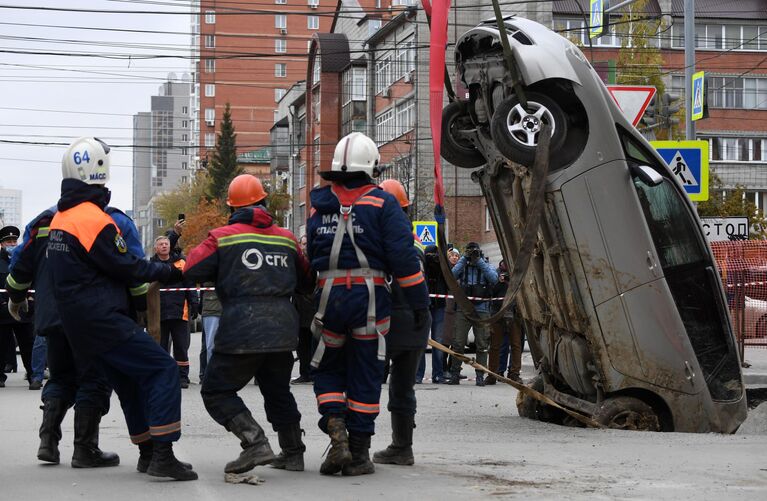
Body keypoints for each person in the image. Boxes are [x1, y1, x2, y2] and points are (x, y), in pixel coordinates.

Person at [35, 136, 197, 480]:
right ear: (99, 170)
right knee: (163, 369)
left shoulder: (61, 219)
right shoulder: (94, 220)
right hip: (102, 319)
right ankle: (164, 453)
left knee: (128, 382)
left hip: (78, 324)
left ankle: (147, 452)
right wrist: (173, 270)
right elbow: (132, 268)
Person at [307, 132, 429, 476]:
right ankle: (358, 453)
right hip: (369, 299)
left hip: (328, 298)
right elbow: (404, 261)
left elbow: (312, 254)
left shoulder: (320, 205)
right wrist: (419, 305)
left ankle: (335, 423)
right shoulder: (381, 203)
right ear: (372, 166)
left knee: (328, 366)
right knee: (366, 371)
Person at [185, 174, 313, 474]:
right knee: (278, 390)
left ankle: (254, 442)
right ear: (264, 201)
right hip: (282, 330)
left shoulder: (223, 236)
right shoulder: (286, 237)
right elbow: (308, 281)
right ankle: (293, 453)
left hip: (242, 328)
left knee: (215, 391)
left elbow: (191, 268)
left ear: (232, 207)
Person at [6, 204, 121, 468]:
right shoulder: (102, 219)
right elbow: (122, 266)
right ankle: (85, 449)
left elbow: (19, 268)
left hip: (52, 317)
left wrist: (16, 298)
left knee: (60, 377)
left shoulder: (43, 222)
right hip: (89, 318)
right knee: (94, 380)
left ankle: (48, 442)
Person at [372, 179, 430, 467]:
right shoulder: (416, 242)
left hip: (388, 321)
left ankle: (357, 446)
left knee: (367, 383)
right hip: (417, 322)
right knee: (403, 387)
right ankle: (402, 446)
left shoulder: (384, 241)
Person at [448, 242, 498, 386]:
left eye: (474, 252)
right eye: (470, 252)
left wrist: (478, 261)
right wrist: (464, 258)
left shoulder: (484, 263)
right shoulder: (462, 264)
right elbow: (451, 275)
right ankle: (455, 373)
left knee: (482, 344)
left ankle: (480, 374)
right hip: (463, 308)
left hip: (482, 309)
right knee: (458, 343)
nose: (472, 254)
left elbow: (494, 279)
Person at [151, 235, 198, 388]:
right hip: (159, 311)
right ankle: (163, 376)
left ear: (170, 246)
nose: (164, 246)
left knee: (181, 346)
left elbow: (189, 283)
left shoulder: (181, 262)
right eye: (161, 244)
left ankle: (182, 377)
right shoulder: (151, 265)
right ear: (156, 248)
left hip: (179, 310)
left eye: (166, 243)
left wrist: (194, 303)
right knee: (161, 346)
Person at [0, 224, 35, 389]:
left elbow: (31, 281)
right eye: (8, 241)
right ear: (2, 243)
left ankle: (33, 376)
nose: (12, 243)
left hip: (22, 310)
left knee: (28, 344)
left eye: (14, 240)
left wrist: (31, 300)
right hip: (2, 311)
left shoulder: (23, 259)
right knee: (1, 346)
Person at [487, 260, 524, 384]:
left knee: (516, 345)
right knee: (495, 345)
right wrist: (500, 281)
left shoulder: (518, 273)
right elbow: (490, 292)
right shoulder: (495, 274)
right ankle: (492, 374)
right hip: (498, 313)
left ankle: (514, 373)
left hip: (514, 312)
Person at [416, 244, 449, 384]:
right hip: (425, 306)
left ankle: (438, 374)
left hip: (439, 307)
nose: (433, 258)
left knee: (438, 342)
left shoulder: (443, 267)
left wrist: (442, 263)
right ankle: (418, 374)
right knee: (421, 341)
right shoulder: (422, 265)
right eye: (431, 255)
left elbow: (450, 280)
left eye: (436, 256)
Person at [292, 234, 315, 385]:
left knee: (313, 342)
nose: (304, 247)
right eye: (303, 244)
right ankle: (305, 373)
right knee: (302, 344)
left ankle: (312, 373)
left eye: (307, 244)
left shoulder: (315, 261)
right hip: (299, 308)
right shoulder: (298, 262)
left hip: (313, 307)